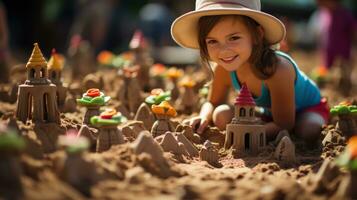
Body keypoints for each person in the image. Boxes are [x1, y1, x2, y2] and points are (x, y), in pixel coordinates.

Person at [171, 0, 329, 146]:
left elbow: (284, 124)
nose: (224, 51)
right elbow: (213, 102)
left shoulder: (278, 69)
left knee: (307, 130)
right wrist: (204, 116)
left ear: (257, 35)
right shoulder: (224, 69)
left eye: (233, 38)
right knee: (221, 115)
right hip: (266, 114)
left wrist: (247, 134)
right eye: (212, 41)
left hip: (306, 109)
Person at [313, 0, 357, 95]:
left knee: (344, 78)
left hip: (343, 54)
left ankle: (346, 95)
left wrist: (354, 52)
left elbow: (354, 34)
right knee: (327, 77)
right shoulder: (324, 14)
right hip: (328, 52)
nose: (320, 4)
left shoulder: (345, 15)